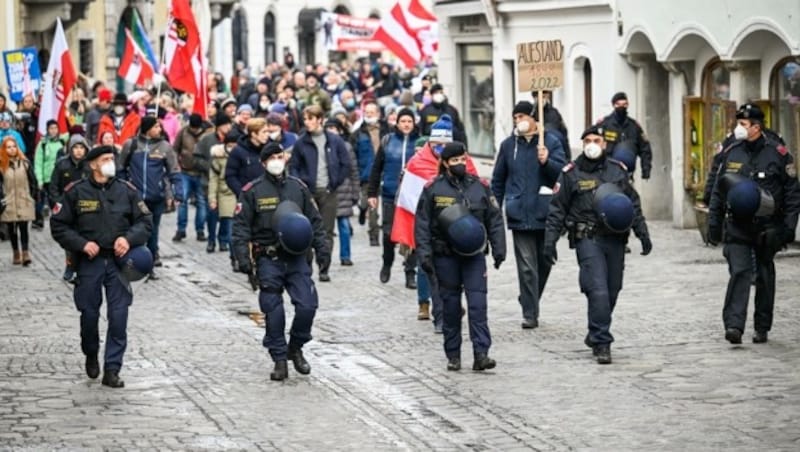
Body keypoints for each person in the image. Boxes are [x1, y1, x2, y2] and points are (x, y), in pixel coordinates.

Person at [543, 125, 652, 364]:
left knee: (613, 289)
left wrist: (642, 232)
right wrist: (549, 242)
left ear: (604, 144)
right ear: (583, 144)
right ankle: (602, 342)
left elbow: (632, 203)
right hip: (587, 238)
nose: (593, 144)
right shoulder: (571, 172)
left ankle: (595, 330)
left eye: (597, 140)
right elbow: (557, 209)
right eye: (588, 140)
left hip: (615, 239)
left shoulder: (617, 170)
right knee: (598, 289)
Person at [50, 145, 153, 388]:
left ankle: (112, 369)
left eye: (112, 158)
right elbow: (59, 226)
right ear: (93, 164)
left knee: (118, 317)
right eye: (106, 159)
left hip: (118, 263)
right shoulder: (76, 192)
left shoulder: (126, 190)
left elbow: (145, 222)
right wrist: (82, 244)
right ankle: (91, 352)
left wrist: (128, 239)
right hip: (89, 263)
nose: (111, 163)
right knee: (89, 314)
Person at [232, 143, 329, 381]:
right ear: (263, 163)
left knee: (307, 305)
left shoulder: (298, 188)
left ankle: (295, 347)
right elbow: (240, 227)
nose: (277, 160)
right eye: (272, 157)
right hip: (268, 259)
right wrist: (243, 259)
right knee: (273, 312)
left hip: (297, 258)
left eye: (280, 156)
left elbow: (315, 221)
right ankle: (278, 359)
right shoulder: (252, 191)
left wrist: (323, 248)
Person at [707, 104, 800, 345]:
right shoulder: (731, 151)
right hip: (737, 225)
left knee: (764, 276)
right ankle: (734, 326)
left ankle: (762, 326)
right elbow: (719, 189)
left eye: (743, 124)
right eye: (738, 123)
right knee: (739, 271)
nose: (738, 128)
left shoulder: (778, 154)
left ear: (757, 127)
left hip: (767, 227)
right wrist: (714, 224)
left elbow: (792, 194)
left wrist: (788, 228)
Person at [414, 142, 506, 372]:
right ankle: (453, 354)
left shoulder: (479, 186)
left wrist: (499, 247)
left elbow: (494, 218)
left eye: (462, 159)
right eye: (454, 161)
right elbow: (422, 224)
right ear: (445, 163)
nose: (459, 164)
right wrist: (424, 254)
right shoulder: (433, 189)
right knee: (451, 307)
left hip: (474, 256)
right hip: (445, 256)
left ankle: (481, 353)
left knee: (478, 305)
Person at [491, 101, 567, 329]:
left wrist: (547, 162)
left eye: (522, 116)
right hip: (519, 213)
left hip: (545, 212)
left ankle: (529, 298)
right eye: (515, 117)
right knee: (526, 266)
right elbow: (498, 179)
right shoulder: (507, 146)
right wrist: (495, 208)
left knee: (545, 262)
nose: (518, 121)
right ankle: (530, 313)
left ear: (534, 118)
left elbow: (562, 176)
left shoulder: (551, 142)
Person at [289, 105, 351, 282]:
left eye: (310, 118)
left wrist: (335, 181)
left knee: (326, 231)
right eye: (305, 119)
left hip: (328, 191)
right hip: (308, 193)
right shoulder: (301, 142)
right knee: (305, 230)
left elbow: (345, 163)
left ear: (319, 120)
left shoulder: (334, 140)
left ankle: (324, 266)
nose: (307, 122)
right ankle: (307, 265)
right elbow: (294, 166)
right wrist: (300, 184)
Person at [117, 116, 183, 279]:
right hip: (135, 198)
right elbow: (120, 168)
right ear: (147, 129)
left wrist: (178, 192)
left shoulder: (165, 147)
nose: (159, 129)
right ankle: (131, 263)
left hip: (156, 198)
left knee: (152, 232)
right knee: (134, 231)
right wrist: (124, 187)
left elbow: (174, 171)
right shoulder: (130, 145)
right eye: (156, 127)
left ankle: (150, 264)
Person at [367, 108, 419, 288]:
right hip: (390, 194)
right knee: (389, 234)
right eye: (403, 121)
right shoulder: (388, 141)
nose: (406, 124)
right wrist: (372, 193)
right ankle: (387, 262)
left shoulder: (419, 143)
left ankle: (410, 272)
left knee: (413, 236)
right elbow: (376, 168)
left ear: (414, 123)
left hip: (412, 197)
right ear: (397, 123)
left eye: (409, 121)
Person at [49, 135, 89, 282]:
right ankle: (70, 265)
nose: (78, 151)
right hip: (67, 208)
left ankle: (83, 267)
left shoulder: (89, 165)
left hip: (85, 208)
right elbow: (54, 187)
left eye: (81, 148)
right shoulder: (62, 164)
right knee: (70, 240)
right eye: (75, 148)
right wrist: (58, 203)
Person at [172, 113, 212, 243]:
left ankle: (200, 230)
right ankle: (181, 229)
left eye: (196, 128)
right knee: (182, 200)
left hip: (201, 173)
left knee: (201, 202)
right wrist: (176, 164)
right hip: (185, 172)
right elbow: (175, 149)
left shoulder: (207, 134)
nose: (194, 130)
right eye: (192, 127)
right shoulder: (183, 132)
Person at [325, 118, 359, 266]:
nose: (331, 131)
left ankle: (345, 255)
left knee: (344, 226)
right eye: (328, 128)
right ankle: (324, 257)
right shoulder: (321, 146)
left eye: (334, 128)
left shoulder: (346, 147)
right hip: (327, 192)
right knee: (325, 229)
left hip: (344, 191)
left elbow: (353, 171)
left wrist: (355, 192)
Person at [352, 101, 386, 246]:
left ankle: (374, 235)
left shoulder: (386, 130)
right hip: (366, 174)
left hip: (384, 172)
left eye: (372, 112)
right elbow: (353, 155)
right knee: (368, 203)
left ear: (378, 114)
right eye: (367, 112)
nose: (369, 114)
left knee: (378, 206)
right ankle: (362, 209)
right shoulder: (358, 133)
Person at [0, 136, 37, 265]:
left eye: (13, 146)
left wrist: (32, 197)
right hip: (8, 200)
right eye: (8, 147)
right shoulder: (1, 166)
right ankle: (16, 251)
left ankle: (25, 252)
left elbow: (33, 182)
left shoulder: (25, 163)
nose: (11, 149)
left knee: (23, 227)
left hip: (23, 199)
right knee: (12, 228)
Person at [599, 92, 652, 180]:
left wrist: (646, 170)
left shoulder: (634, 126)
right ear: (613, 105)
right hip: (607, 171)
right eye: (618, 104)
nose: (621, 107)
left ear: (627, 105)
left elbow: (645, 149)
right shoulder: (605, 124)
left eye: (624, 104)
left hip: (627, 173)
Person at [208, 132, 238, 268]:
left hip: (241, 192)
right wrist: (212, 198)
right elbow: (213, 180)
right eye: (230, 146)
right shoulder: (218, 158)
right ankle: (234, 257)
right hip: (225, 194)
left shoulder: (241, 156)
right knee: (231, 227)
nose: (232, 148)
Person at [32, 120, 67, 229]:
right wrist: (40, 180)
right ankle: (39, 220)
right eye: (51, 128)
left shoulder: (62, 142)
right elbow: (38, 163)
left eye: (55, 128)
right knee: (43, 201)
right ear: (47, 130)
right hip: (47, 178)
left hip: (59, 178)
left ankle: (58, 220)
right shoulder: (42, 144)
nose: (53, 131)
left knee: (57, 201)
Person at [225, 118, 270, 198]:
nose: (267, 135)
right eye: (264, 132)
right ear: (253, 134)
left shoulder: (270, 149)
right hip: (248, 198)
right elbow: (230, 176)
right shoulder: (238, 151)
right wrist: (242, 193)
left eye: (268, 132)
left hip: (268, 196)